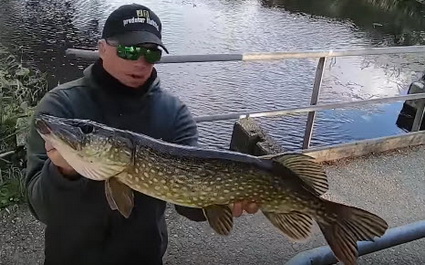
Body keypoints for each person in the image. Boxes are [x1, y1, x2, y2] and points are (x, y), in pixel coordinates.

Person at [25, 3, 259, 265]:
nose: (140, 62)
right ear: (102, 48)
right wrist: (63, 172)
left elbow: (187, 205)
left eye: (151, 53)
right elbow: (40, 208)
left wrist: (224, 199)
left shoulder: (174, 113)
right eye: (128, 50)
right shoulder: (61, 106)